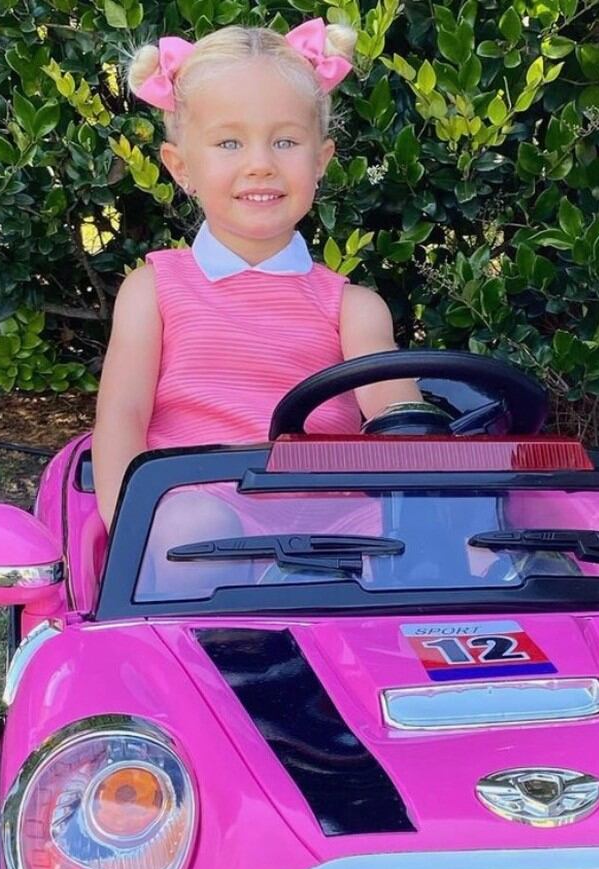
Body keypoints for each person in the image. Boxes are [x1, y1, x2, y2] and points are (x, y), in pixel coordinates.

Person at [93, 19, 418, 528]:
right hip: (191, 514)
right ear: (181, 168)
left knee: (415, 539)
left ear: (321, 161)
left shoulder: (352, 308)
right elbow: (121, 420)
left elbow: (402, 428)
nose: (261, 165)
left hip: (331, 528)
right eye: (229, 144)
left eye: (286, 142)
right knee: (196, 524)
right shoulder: (154, 291)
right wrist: (128, 531)